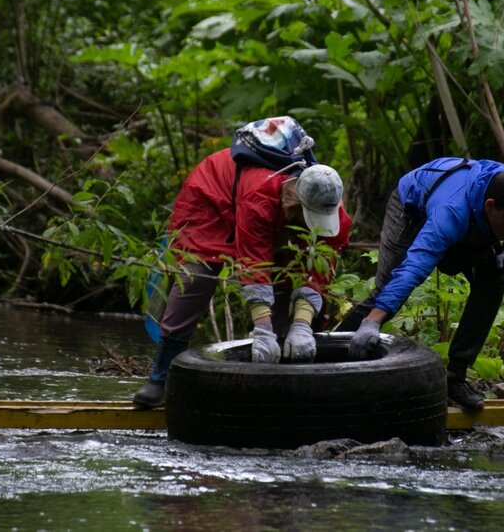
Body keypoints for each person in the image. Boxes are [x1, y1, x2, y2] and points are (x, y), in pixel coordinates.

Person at [133, 148, 351, 408]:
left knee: (284, 285)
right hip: (212, 200)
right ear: (297, 203)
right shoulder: (260, 199)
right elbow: (254, 264)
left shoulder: (332, 210)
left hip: (276, 212)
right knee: (197, 277)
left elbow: (318, 270)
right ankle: (160, 379)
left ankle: (278, 388)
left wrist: (302, 325)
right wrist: (262, 328)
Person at [334, 157, 504, 412]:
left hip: (472, 221)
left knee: (494, 277)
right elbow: (415, 266)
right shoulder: (450, 213)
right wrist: (373, 321)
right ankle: (331, 352)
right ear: (491, 206)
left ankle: (455, 379)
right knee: (387, 288)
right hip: (413, 208)